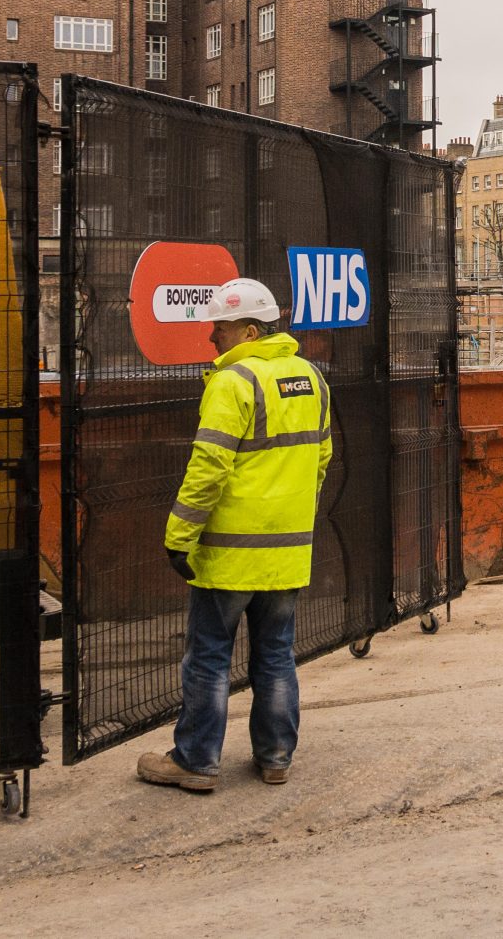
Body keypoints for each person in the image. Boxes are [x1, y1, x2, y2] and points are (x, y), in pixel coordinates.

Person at [138, 276, 331, 793]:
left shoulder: (232, 382)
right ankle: (275, 757)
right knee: (275, 654)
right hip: (287, 552)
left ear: (248, 330)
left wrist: (179, 536)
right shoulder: (311, 378)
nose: (211, 338)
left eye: (219, 328)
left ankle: (196, 762)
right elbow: (321, 459)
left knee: (208, 656)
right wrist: (291, 518)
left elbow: (208, 468)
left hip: (228, 552)